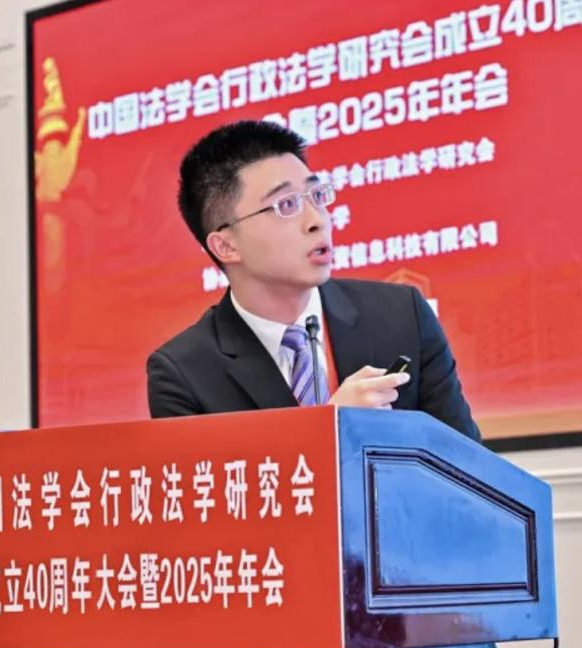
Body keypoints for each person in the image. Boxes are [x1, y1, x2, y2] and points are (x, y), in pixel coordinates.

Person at [146, 120, 480, 442]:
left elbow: (469, 465)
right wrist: (328, 430)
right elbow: (215, 482)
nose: (317, 220)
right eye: (286, 205)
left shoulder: (402, 315)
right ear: (226, 246)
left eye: (316, 195)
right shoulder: (184, 373)